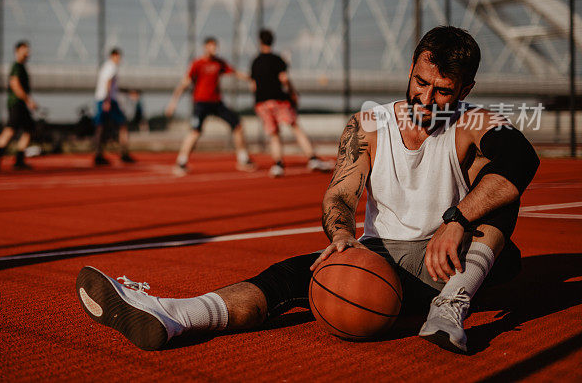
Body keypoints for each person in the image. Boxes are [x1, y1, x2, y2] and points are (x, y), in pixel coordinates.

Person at [76, 26, 540, 354]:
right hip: (379, 259)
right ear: (411, 68)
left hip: (449, 261)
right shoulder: (369, 124)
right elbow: (340, 196)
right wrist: (340, 236)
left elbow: (522, 159)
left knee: (502, 189)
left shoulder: (473, 120)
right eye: (421, 81)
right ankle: (175, 314)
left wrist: (456, 221)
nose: (426, 97)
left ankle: (450, 308)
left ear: (465, 89)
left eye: (442, 90)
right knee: (284, 279)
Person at [165, 37, 256, 176]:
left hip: (217, 103)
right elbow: (184, 83)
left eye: (215, 47)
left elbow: (236, 73)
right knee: (195, 131)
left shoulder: (219, 63)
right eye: (211, 46)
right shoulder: (197, 64)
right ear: (205, 47)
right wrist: (173, 103)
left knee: (237, 125)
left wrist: (252, 78)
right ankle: (181, 162)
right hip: (201, 103)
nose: (213, 49)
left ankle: (243, 159)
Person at [250, 28, 334, 177]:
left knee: (274, 134)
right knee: (294, 127)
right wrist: (292, 93)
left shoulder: (255, 62)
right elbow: (284, 79)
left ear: (260, 42)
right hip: (279, 100)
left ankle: (278, 165)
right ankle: (312, 158)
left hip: (262, 103)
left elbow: (253, 86)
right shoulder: (278, 59)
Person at [0, 41, 37, 170]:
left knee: (29, 129)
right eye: (25, 49)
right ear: (17, 50)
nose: (28, 52)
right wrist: (28, 100)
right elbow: (15, 84)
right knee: (10, 130)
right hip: (17, 103)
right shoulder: (16, 66)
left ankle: (19, 159)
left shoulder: (21, 67)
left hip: (21, 104)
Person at [92, 48, 134, 166]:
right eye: (119, 57)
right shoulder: (111, 67)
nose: (120, 59)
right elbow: (108, 83)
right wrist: (107, 100)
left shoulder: (106, 67)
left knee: (102, 127)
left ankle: (99, 155)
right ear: (114, 56)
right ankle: (123, 153)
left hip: (104, 99)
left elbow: (112, 86)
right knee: (121, 125)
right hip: (107, 100)